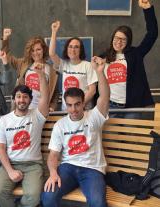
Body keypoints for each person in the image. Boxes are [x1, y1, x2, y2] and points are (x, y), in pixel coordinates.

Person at [41, 56, 110, 207]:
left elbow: (104, 97)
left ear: (83, 102)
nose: (73, 109)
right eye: (70, 105)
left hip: (92, 169)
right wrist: (53, 173)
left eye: (77, 104)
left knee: (98, 203)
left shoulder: (94, 117)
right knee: (48, 197)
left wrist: (100, 72)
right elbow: (53, 155)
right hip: (68, 168)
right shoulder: (60, 125)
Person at [0, 63, 49, 207]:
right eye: (18, 96)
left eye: (25, 97)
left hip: (33, 165)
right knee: (0, 192)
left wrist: (41, 75)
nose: (21, 100)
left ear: (30, 100)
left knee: (33, 196)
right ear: (14, 99)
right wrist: (10, 171)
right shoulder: (4, 120)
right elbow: (0, 149)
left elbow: (45, 97)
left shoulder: (37, 115)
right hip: (9, 164)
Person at [102, 0, 158, 118]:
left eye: (123, 39)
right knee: (112, 136)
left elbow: (152, 33)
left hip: (132, 107)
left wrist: (147, 9)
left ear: (128, 41)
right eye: (116, 38)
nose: (118, 42)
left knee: (131, 135)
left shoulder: (136, 53)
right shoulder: (104, 56)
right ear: (112, 38)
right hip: (111, 105)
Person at [0, 28, 59, 111]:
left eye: (38, 49)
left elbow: (55, 92)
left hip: (42, 111)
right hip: (23, 109)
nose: (35, 53)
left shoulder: (51, 69)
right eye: (32, 50)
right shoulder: (23, 64)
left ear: (43, 50)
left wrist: (52, 107)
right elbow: (7, 55)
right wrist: (5, 38)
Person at [49, 21, 97, 111]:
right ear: (67, 49)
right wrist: (54, 32)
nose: (73, 49)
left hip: (84, 110)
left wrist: (79, 106)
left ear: (81, 50)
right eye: (70, 47)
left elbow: (92, 90)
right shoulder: (64, 65)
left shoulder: (88, 65)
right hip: (66, 111)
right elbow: (51, 54)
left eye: (76, 47)